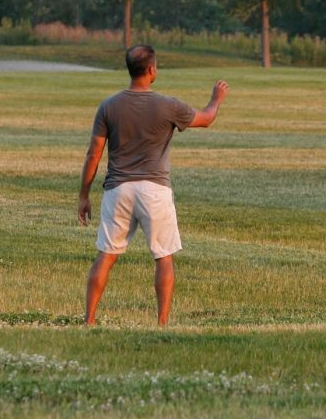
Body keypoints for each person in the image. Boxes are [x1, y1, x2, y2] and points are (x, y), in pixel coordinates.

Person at [78, 44, 229, 325]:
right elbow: (206, 119)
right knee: (163, 257)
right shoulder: (168, 105)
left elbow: (93, 154)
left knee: (106, 256)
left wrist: (84, 195)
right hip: (155, 191)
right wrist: (216, 98)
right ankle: (161, 323)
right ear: (151, 70)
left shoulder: (108, 106)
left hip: (118, 190)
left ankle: (89, 319)